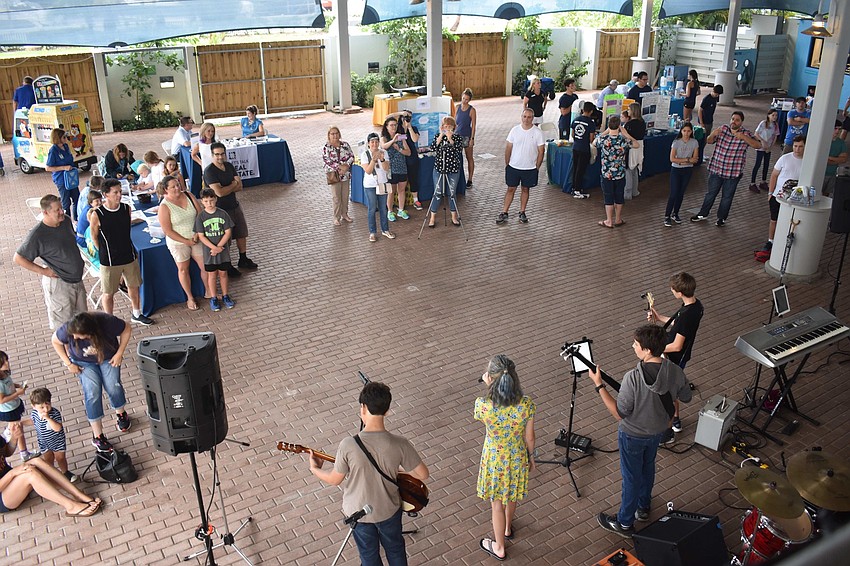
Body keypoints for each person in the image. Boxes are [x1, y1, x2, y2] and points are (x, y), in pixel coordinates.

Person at [307, 382, 429, 566]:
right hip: (389, 509)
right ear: (387, 410)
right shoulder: (400, 443)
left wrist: (314, 469)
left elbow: (334, 479)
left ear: (362, 408)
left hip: (359, 513)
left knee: (369, 556)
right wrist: (395, 467)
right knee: (395, 549)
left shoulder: (348, 444)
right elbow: (422, 474)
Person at [589, 325, 692, 537]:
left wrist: (599, 386)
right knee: (648, 467)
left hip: (632, 435)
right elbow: (686, 396)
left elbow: (620, 413)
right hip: (657, 432)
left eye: (636, 344)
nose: (633, 346)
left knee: (631, 477)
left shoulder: (632, 378)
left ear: (646, 350)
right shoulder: (674, 370)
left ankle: (624, 522)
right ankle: (644, 507)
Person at [475, 355, 536, 562]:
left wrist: (488, 386)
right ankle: (508, 527)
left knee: (496, 504)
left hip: (494, 459)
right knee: (512, 495)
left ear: (491, 378)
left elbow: (487, 410)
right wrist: (531, 457)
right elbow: (530, 437)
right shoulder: (526, 404)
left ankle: (499, 546)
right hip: (517, 456)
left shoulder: (483, 405)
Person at [51, 311, 132, 453]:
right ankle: (98, 435)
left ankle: (121, 413)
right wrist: (68, 363)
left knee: (113, 386)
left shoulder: (107, 322)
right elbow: (56, 341)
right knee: (92, 393)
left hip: (108, 358)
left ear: (90, 333)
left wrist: (119, 353)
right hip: (83, 362)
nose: (75, 337)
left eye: (79, 336)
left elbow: (127, 329)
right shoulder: (69, 328)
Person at [14, 194, 87, 330]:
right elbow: (19, 258)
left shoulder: (65, 221)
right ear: (45, 212)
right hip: (60, 285)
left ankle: (79, 350)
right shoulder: (37, 235)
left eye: (61, 208)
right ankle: (65, 351)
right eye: (57, 210)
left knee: (82, 323)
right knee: (64, 328)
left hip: (77, 280)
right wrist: (44, 271)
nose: (62, 212)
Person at [0, 424, 101, 517]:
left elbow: (5, 452)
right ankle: (70, 506)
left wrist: (14, 438)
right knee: (30, 474)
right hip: (3, 498)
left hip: (11, 481)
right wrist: (12, 473)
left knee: (36, 461)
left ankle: (77, 494)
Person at [89, 179, 153, 325]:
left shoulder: (126, 208)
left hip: (128, 255)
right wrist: (104, 251)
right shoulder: (97, 214)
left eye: (120, 192)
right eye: (115, 192)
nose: (119, 195)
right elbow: (94, 237)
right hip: (110, 260)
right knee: (108, 292)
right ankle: (109, 320)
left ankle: (136, 313)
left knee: (133, 285)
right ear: (105, 194)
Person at [647, 272, 703, 437]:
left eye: (673, 289)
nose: (671, 291)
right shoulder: (695, 305)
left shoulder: (687, 315)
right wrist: (660, 318)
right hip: (676, 354)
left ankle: (675, 421)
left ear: (679, 292)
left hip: (675, 357)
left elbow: (677, 346)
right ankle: (673, 418)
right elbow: (678, 325)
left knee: (669, 390)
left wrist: (656, 349)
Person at [691, 111, 761, 227]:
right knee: (710, 194)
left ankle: (721, 218)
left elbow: (758, 145)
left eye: (737, 120)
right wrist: (713, 133)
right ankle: (703, 214)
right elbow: (708, 141)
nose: (734, 121)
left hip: (732, 173)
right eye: (732, 119)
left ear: (741, 122)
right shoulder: (723, 129)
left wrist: (743, 137)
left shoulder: (746, 134)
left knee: (727, 197)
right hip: (716, 169)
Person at [203, 142, 258, 277]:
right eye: (217, 154)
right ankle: (227, 265)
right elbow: (219, 193)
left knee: (241, 233)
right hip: (221, 210)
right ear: (212, 155)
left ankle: (243, 258)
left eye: (222, 154)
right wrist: (233, 185)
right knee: (225, 238)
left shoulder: (229, 166)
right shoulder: (209, 171)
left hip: (235, 205)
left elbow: (240, 186)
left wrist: (228, 187)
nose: (220, 157)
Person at [158, 175, 211, 311]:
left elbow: (200, 215)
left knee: (205, 266)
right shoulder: (164, 206)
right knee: (183, 269)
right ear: (166, 190)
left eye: (178, 184)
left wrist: (196, 233)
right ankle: (190, 297)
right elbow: (168, 231)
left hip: (196, 238)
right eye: (173, 186)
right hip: (178, 242)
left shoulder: (188, 195)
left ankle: (209, 291)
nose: (177, 188)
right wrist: (186, 241)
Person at [497, 108, 545, 225]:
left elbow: (541, 151)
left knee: (525, 189)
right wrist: (508, 163)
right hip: (514, 167)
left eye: (529, 117)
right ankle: (504, 212)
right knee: (510, 189)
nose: (526, 119)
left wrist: (536, 166)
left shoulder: (538, 133)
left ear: (532, 118)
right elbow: (508, 148)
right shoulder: (514, 130)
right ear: (521, 117)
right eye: (524, 117)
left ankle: (522, 211)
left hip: (529, 168)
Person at [760, 135, 806, 254]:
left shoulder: (807, 162)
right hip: (778, 196)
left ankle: (783, 241)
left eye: (800, 147)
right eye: (795, 146)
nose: (797, 149)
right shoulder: (784, 158)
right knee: (774, 220)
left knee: (789, 221)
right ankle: (770, 241)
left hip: (794, 199)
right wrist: (770, 193)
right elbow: (774, 175)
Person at [195, 189, 236, 311]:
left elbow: (228, 232)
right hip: (209, 252)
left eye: (211, 200)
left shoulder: (223, 214)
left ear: (216, 199)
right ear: (202, 202)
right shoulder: (201, 217)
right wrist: (213, 248)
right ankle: (213, 297)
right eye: (206, 201)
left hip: (223, 251)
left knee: (223, 273)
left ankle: (225, 295)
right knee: (212, 275)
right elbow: (201, 235)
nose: (209, 203)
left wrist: (219, 247)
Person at [594, 115, 638, 229]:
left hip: (606, 174)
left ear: (609, 125)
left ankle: (609, 220)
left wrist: (605, 132)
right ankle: (618, 219)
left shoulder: (604, 139)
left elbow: (594, 142)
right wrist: (626, 134)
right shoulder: (623, 140)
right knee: (619, 197)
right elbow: (637, 145)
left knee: (608, 197)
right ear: (619, 126)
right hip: (620, 173)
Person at [29, 387, 77, 482]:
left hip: (57, 441)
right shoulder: (34, 413)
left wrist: (48, 418)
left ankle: (65, 472)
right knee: (48, 459)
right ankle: (51, 474)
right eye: (41, 407)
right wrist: (21, 423)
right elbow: (32, 421)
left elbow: (57, 428)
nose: (46, 409)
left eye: (48, 404)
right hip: (43, 441)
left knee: (60, 458)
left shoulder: (54, 413)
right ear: (34, 406)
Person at [427, 116, 463, 228]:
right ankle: (432, 218)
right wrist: (441, 135)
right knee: (437, 193)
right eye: (445, 126)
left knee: (452, 193)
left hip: (453, 169)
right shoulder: (438, 136)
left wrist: (450, 139)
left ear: (453, 127)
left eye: (449, 126)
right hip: (439, 168)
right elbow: (432, 148)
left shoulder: (457, 137)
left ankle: (454, 217)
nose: (447, 128)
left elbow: (458, 149)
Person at [0, 352, 35, 462]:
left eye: (7, 359)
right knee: (18, 429)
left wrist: (17, 386)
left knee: (15, 426)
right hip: (10, 409)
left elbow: (9, 383)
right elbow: (1, 400)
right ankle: (24, 452)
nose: (7, 362)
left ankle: (9, 430)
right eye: (3, 362)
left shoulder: (4, 373)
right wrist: (18, 393)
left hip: (14, 405)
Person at [663, 123, 700, 227]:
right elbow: (672, 159)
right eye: (684, 131)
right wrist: (687, 160)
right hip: (676, 170)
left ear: (691, 132)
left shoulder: (694, 142)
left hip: (687, 171)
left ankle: (676, 213)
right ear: (681, 131)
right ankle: (667, 215)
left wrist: (682, 161)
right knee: (673, 193)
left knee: (681, 193)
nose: (686, 133)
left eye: (688, 131)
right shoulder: (676, 143)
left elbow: (695, 159)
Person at [361, 133, 394, 242]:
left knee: (383, 208)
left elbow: (386, 168)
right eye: (372, 142)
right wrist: (374, 160)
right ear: (368, 144)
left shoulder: (384, 152)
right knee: (372, 208)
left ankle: (385, 230)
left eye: (376, 142)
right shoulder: (365, 154)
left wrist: (383, 159)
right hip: (370, 185)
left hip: (382, 184)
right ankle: (372, 232)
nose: (374, 144)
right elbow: (368, 171)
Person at [380, 116, 411, 222]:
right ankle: (389, 211)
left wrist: (400, 149)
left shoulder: (401, 137)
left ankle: (401, 210)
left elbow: (408, 152)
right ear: (387, 127)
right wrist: (393, 140)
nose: (394, 127)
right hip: (390, 169)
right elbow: (384, 146)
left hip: (402, 167)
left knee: (401, 190)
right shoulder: (383, 137)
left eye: (395, 125)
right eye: (391, 125)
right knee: (391, 191)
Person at [322, 125, 355, 226]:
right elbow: (327, 160)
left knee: (345, 196)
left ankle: (344, 214)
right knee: (336, 197)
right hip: (334, 175)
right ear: (329, 136)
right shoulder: (326, 147)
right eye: (332, 134)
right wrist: (339, 167)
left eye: (336, 133)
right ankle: (336, 217)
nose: (335, 135)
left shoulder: (345, 145)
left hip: (345, 174)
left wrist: (347, 166)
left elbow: (351, 156)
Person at [44, 128, 79, 220]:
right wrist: (63, 168)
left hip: (71, 178)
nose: (66, 138)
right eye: (64, 137)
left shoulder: (66, 146)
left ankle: (76, 219)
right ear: (58, 138)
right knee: (66, 203)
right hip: (61, 179)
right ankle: (66, 221)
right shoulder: (53, 151)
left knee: (77, 198)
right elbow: (48, 168)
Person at [394, 110, 422, 210]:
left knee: (413, 178)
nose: (407, 119)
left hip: (412, 157)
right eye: (405, 117)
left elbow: (415, 139)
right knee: (400, 181)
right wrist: (400, 113)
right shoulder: (397, 129)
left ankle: (415, 200)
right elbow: (386, 118)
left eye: (409, 117)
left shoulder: (413, 128)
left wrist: (409, 127)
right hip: (400, 157)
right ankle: (398, 202)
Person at [569, 101, 597, 199]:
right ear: (591, 111)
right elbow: (591, 139)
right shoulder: (590, 123)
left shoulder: (576, 120)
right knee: (581, 170)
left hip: (575, 147)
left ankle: (574, 188)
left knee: (576, 168)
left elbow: (572, 134)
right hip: (584, 149)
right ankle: (577, 190)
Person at [750, 109, 779, 193]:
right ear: (768, 115)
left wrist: (770, 147)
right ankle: (752, 183)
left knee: (766, 165)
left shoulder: (775, 125)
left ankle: (763, 181)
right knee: (758, 164)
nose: (774, 117)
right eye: (773, 115)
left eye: (776, 115)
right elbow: (756, 133)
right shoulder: (763, 123)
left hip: (768, 148)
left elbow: (775, 136)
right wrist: (762, 141)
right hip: (761, 147)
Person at [623, 102, 646, 200]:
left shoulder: (629, 124)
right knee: (635, 169)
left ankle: (627, 193)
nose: (628, 111)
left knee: (628, 170)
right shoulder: (642, 122)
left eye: (629, 109)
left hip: (632, 147)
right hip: (640, 147)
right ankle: (635, 191)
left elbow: (625, 137)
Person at [455, 88, 477, 189]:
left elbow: (473, 125)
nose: (464, 101)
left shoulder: (472, 110)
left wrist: (472, 138)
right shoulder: (457, 107)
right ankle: (458, 179)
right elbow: (454, 122)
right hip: (457, 136)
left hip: (467, 136)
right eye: (463, 98)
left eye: (467, 99)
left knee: (469, 157)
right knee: (457, 157)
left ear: (469, 100)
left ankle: (470, 179)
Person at [824, 120, 848, 196]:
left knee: (827, 194)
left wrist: (831, 158)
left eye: (839, 129)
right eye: (835, 128)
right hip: (822, 173)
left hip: (832, 174)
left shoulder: (841, 143)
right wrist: (836, 159)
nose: (837, 131)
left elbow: (844, 159)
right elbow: (823, 159)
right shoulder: (824, 140)